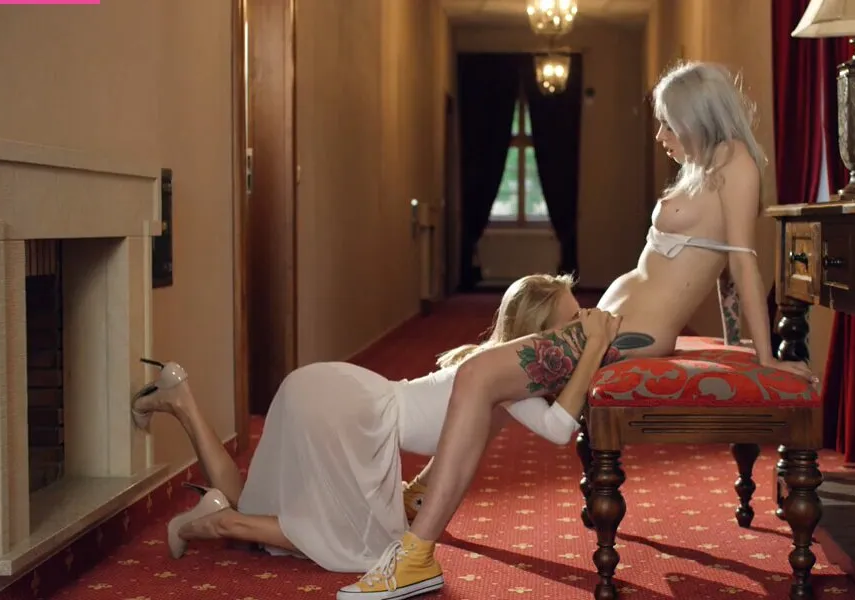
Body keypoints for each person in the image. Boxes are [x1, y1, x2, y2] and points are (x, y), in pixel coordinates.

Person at [338, 60, 817, 600]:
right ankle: (423, 495)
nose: (660, 135)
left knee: (480, 374)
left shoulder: (736, 164)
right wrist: (735, 341)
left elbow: (742, 265)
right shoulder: (700, 169)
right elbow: (719, 268)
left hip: (628, 334)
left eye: (667, 123)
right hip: (607, 322)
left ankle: (416, 555)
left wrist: (763, 356)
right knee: (493, 373)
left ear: (696, 117)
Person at [128, 273, 623, 577]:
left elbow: (449, 456)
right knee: (367, 548)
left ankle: (181, 398)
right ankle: (212, 523)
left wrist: (412, 497)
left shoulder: (493, 365)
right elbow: (559, 430)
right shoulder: (506, 379)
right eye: (572, 322)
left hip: (336, 394)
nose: (582, 325)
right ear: (539, 335)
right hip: (354, 420)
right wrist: (595, 347)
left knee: (254, 499)